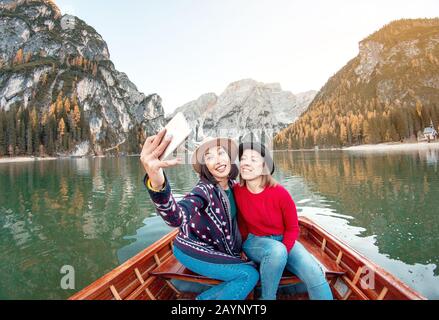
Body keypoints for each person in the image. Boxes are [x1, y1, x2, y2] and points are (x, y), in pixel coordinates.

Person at [140, 130, 259, 300]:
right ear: (205, 166)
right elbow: (176, 218)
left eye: (220, 152)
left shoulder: (234, 185)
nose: (217, 160)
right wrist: (157, 180)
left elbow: (238, 222)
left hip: (218, 249)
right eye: (209, 157)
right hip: (192, 250)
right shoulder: (203, 190)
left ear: (229, 158)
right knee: (249, 275)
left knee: (254, 268)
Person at [234, 141, 333, 300]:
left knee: (314, 272)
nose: (245, 163)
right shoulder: (236, 191)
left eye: (253, 159)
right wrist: (241, 249)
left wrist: (283, 253)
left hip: (283, 241)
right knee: (276, 251)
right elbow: (240, 223)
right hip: (254, 242)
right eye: (243, 158)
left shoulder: (280, 193)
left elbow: (293, 228)